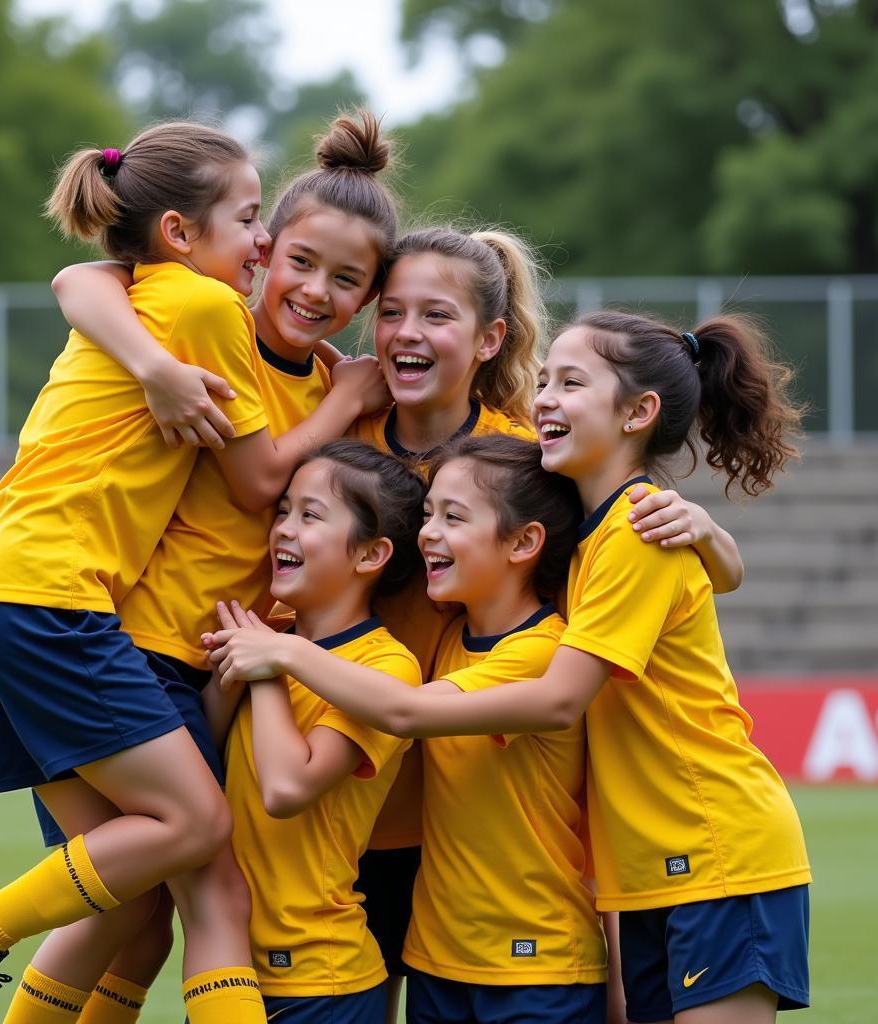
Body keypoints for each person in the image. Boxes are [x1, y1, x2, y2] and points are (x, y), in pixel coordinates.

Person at [214, 310, 812, 1024]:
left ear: (639, 412)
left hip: (715, 846)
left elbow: (555, 700)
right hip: (651, 868)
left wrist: (285, 653)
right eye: (546, 381)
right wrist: (720, 546)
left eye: (572, 382)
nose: (545, 399)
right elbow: (713, 579)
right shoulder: (597, 542)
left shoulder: (636, 531)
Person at [0, 117, 382, 1024]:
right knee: (210, 873)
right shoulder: (206, 314)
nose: (275, 260)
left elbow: (80, 277)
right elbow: (255, 480)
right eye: (264, 234)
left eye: (348, 279)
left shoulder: (184, 312)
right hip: (75, 608)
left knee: (133, 909)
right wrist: (338, 402)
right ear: (187, 234)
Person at [349, 226, 746, 1021]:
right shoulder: (340, 442)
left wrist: (709, 534)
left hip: (502, 812)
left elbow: (577, 697)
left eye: (437, 313)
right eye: (391, 311)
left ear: (490, 338)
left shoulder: (532, 465)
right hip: (356, 802)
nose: (408, 333)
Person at [211, 432, 609, 1023]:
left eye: (452, 517)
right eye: (427, 516)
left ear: (525, 542)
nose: (428, 534)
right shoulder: (448, 640)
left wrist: (276, 660)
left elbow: (393, 717)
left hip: (533, 963)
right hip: (434, 963)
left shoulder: (536, 654)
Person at [202, 440, 425, 1024]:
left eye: (311, 515)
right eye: (283, 510)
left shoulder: (384, 666)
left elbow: (285, 789)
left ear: (371, 554)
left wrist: (270, 663)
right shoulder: (266, 635)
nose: (283, 529)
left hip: (321, 980)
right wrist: (241, 669)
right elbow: (201, 759)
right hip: (222, 970)